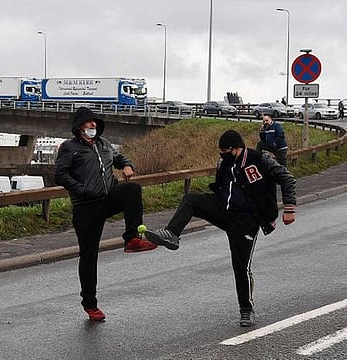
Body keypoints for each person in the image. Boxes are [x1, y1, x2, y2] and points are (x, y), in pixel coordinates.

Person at [144, 130, 296, 327]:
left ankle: (246, 310)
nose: (221, 154)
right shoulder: (223, 163)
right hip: (224, 211)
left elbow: (287, 179)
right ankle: (172, 234)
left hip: (247, 220)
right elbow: (222, 187)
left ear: (236, 148)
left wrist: (289, 209)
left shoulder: (260, 160)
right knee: (191, 200)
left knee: (241, 267)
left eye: (225, 151)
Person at [54, 107, 157, 321]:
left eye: (95, 123)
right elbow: (60, 175)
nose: (93, 126)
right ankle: (90, 305)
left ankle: (132, 239)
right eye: (89, 123)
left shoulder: (104, 144)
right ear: (79, 126)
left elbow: (119, 158)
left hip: (106, 198)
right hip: (85, 207)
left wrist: (127, 165)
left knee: (132, 189)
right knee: (89, 256)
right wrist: (82, 189)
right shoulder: (69, 147)